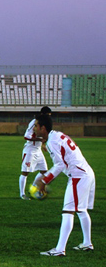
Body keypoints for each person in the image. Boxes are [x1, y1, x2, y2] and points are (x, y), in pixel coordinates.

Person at [34, 115, 96, 256]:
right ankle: (87, 243)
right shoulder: (56, 135)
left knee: (68, 211)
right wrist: (47, 146)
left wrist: (43, 181)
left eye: (36, 126)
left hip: (78, 176)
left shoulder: (52, 142)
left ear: (43, 128)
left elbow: (60, 165)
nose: (34, 128)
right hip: (86, 172)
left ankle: (59, 249)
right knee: (81, 210)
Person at [19, 106, 51, 200]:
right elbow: (26, 136)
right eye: (47, 115)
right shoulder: (34, 122)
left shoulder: (45, 124)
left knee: (44, 171)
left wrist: (43, 144)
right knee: (25, 172)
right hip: (30, 150)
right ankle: (22, 194)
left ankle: (33, 187)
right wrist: (40, 139)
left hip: (38, 150)